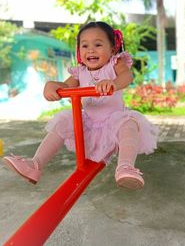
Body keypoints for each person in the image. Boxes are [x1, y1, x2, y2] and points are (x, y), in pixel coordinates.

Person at [2, 21, 158, 190]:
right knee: (63, 121)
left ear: (112, 49)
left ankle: (125, 167)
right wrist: (52, 85)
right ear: (79, 51)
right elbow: (64, 86)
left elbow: (126, 76)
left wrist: (113, 83)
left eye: (98, 44)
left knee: (129, 123)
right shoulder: (80, 72)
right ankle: (35, 164)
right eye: (84, 46)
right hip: (88, 126)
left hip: (112, 124)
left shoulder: (114, 64)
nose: (90, 50)